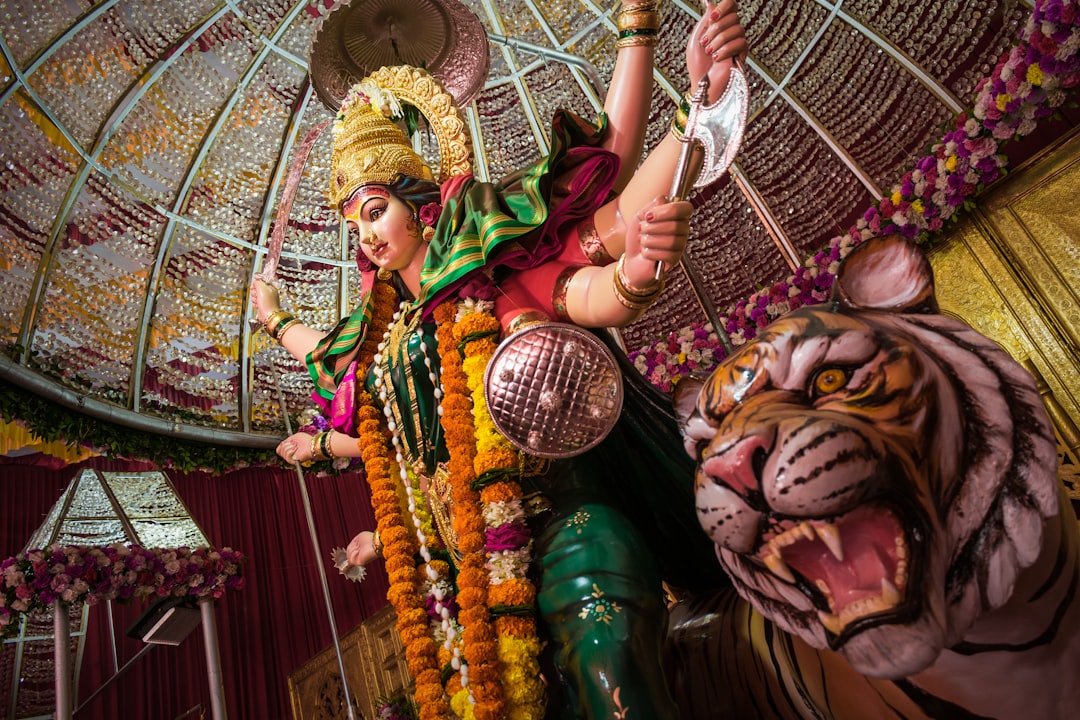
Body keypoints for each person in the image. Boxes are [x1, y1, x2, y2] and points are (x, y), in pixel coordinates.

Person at [251, 2, 747, 718]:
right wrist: (276, 321)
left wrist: (689, 108)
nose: (364, 237)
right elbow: (331, 363)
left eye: (374, 210)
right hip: (469, 589)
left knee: (611, 677)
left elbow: (603, 247)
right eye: (350, 223)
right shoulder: (383, 341)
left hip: (566, 527)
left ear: (418, 203)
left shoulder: (484, 275)